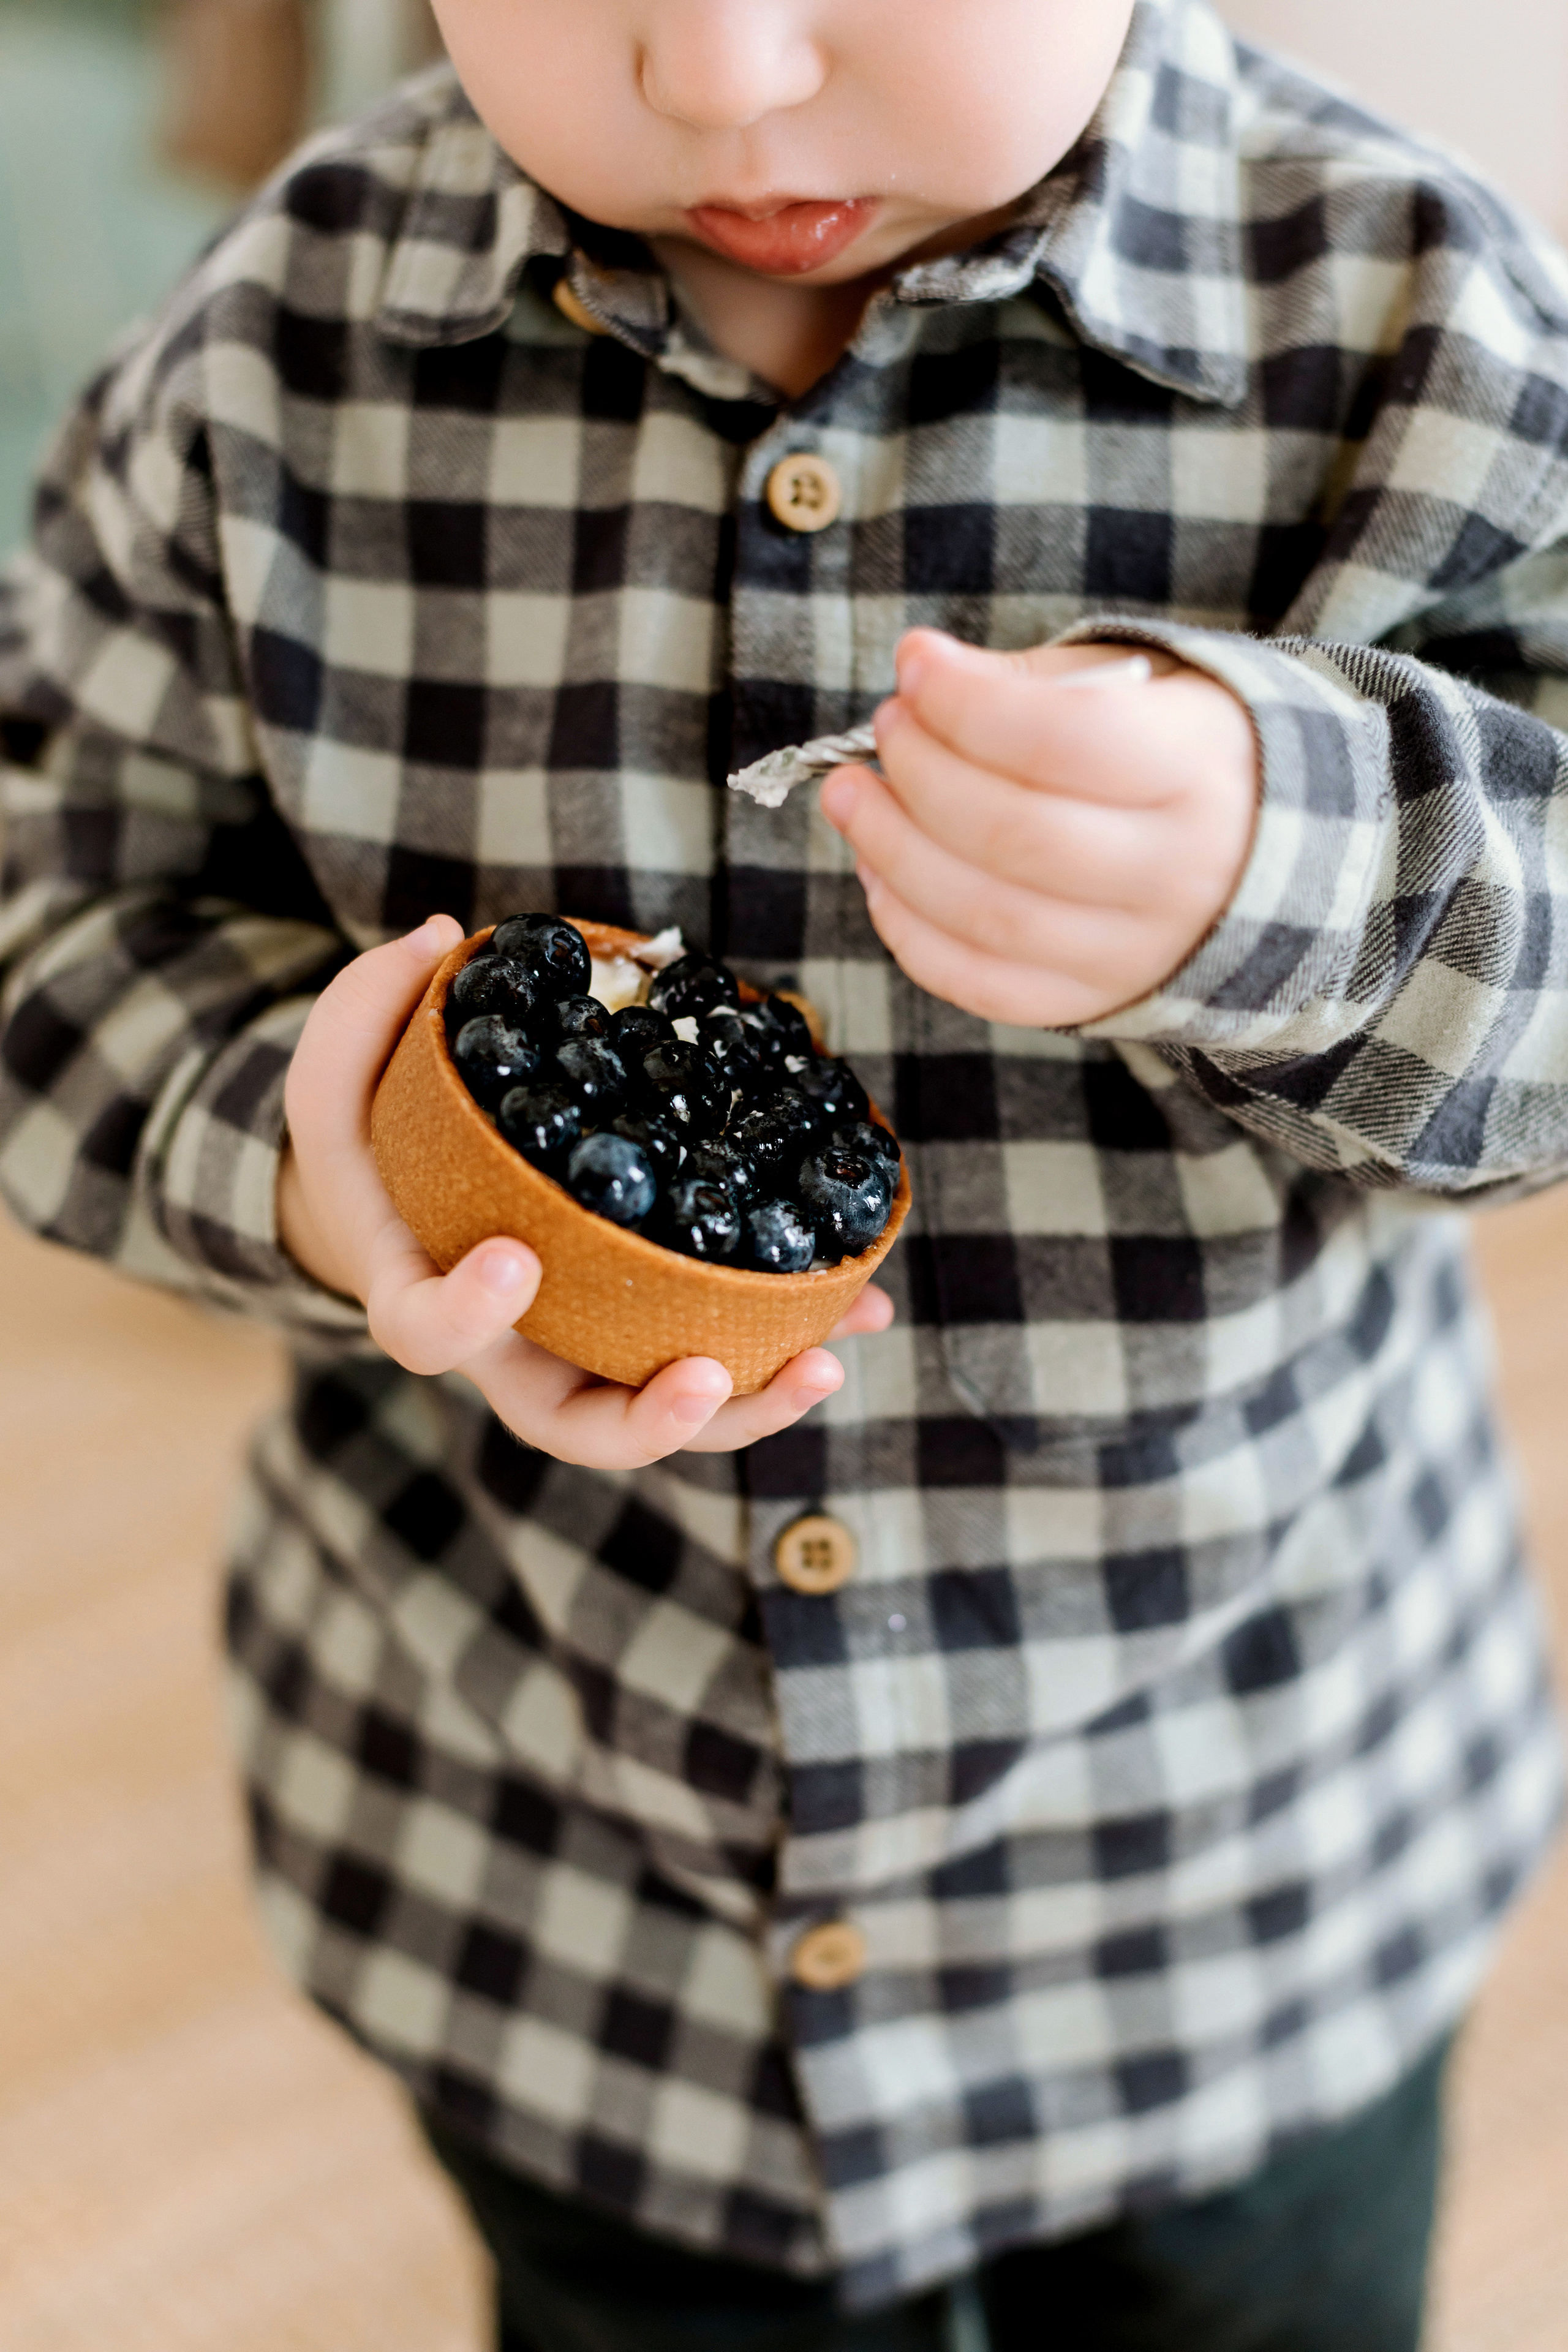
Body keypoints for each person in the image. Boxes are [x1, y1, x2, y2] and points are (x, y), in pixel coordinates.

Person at [1, 0, 1566, 2341]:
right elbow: (54, 923)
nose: (723, 72)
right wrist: (319, 1172)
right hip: (562, 1908)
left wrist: (1313, 870)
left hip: (1229, 1885)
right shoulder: (263, 360)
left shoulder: (1416, 322)